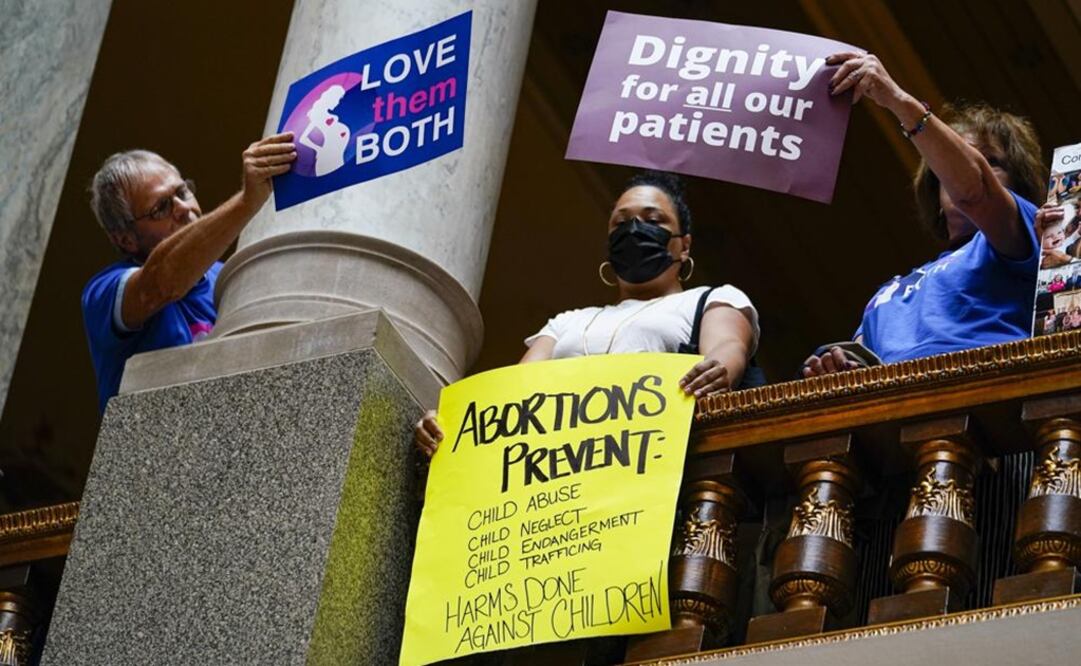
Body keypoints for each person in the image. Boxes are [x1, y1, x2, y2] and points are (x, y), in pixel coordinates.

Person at [415, 171, 759, 457]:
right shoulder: (565, 323)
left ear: (684, 245)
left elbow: (728, 347)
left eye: (653, 220)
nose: (634, 229)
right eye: (621, 222)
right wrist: (453, 423)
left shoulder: (712, 298)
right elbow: (512, 395)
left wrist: (719, 370)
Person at [802, 52, 1047, 377]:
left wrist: (897, 99)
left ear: (1016, 187)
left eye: (991, 162)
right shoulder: (888, 292)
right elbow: (859, 363)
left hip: (988, 392)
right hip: (901, 402)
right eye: (949, 162)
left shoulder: (1024, 231)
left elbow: (975, 191)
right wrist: (836, 369)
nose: (963, 168)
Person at [82, 133, 297, 412]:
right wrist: (247, 202)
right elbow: (160, 283)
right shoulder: (104, 291)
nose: (183, 208)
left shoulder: (229, 277)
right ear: (126, 239)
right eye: (161, 208)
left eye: (182, 192)